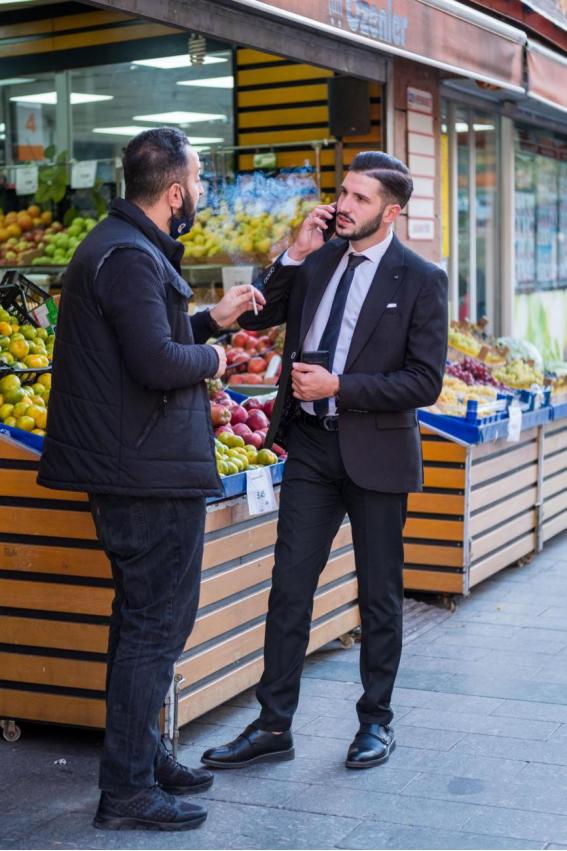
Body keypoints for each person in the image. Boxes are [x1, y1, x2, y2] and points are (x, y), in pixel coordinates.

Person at [38, 127, 265, 831]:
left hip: (137, 462)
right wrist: (220, 359)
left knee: (141, 623)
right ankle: (129, 788)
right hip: (143, 471)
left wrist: (208, 321)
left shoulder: (122, 247)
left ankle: (143, 756)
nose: (199, 193)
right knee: (153, 629)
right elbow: (158, 363)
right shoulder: (129, 256)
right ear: (173, 193)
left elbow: (146, 337)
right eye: (197, 182)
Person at [201, 151, 448, 771]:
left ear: (390, 212)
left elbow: (424, 382)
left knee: (380, 594)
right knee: (288, 590)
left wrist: (340, 386)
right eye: (343, 192)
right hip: (309, 447)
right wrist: (294, 253)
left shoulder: (420, 278)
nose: (343, 205)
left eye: (360, 199)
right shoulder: (318, 259)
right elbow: (261, 311)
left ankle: (376, 723)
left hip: (377, 452)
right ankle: (273, 725)